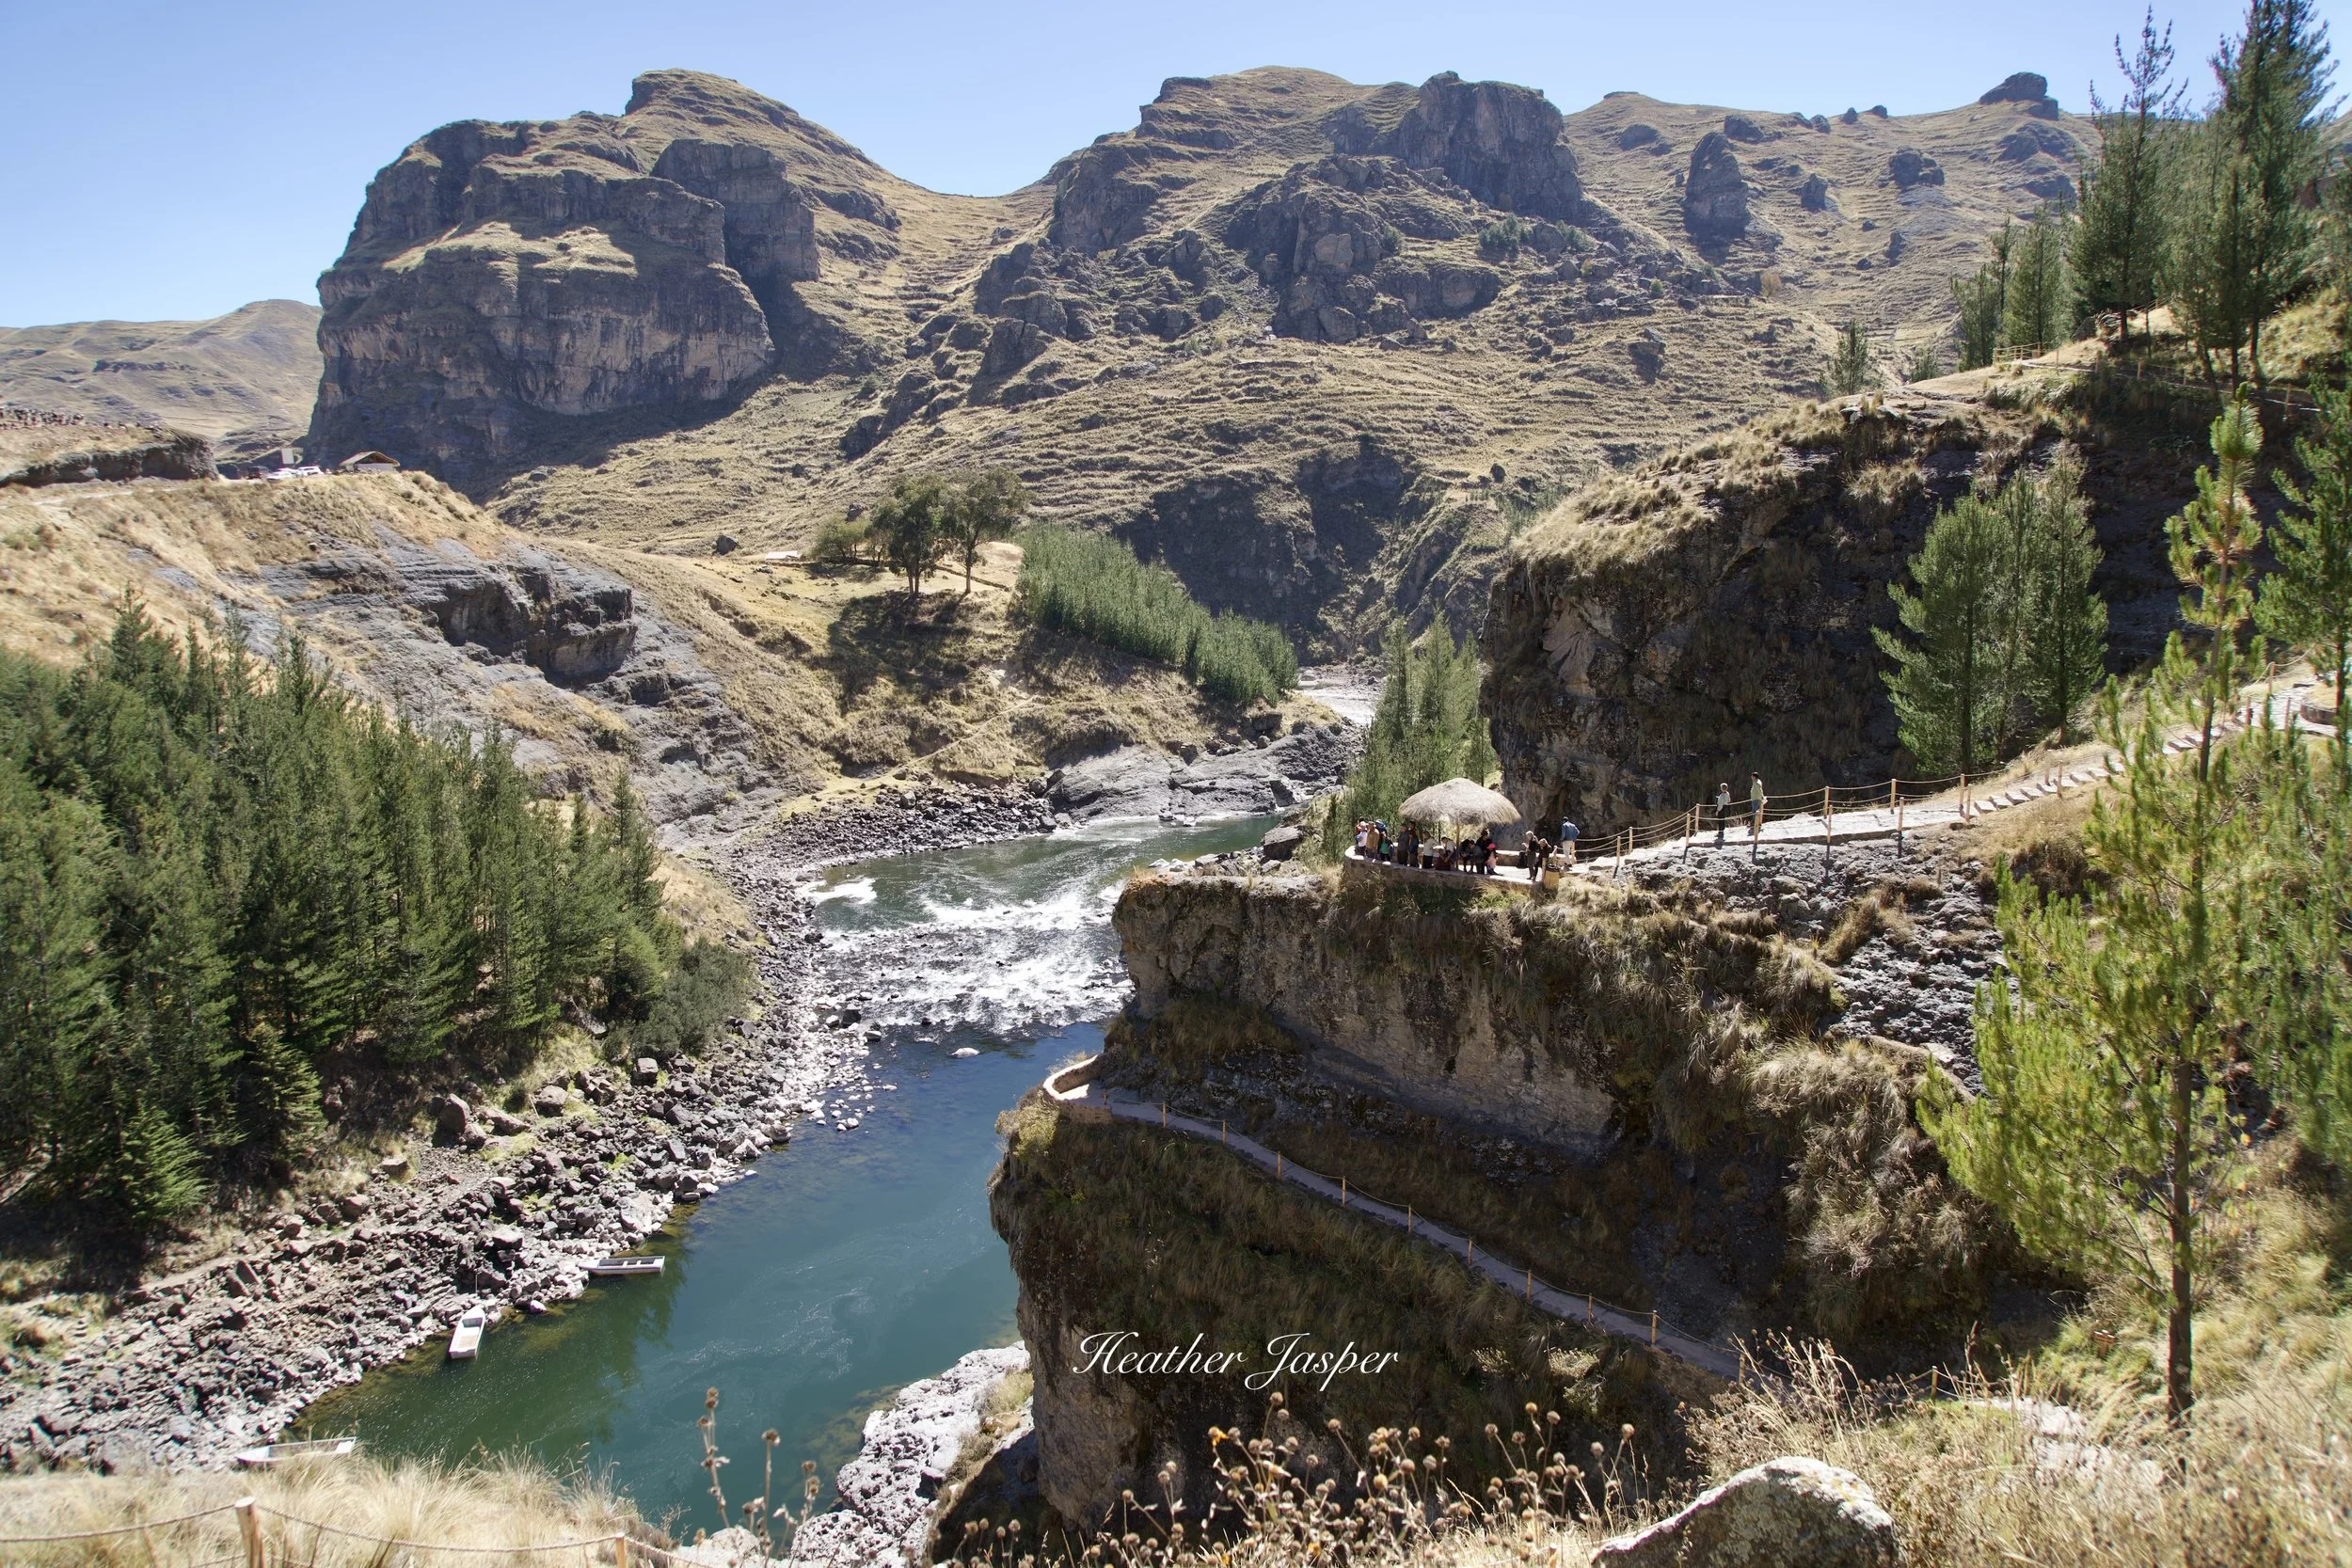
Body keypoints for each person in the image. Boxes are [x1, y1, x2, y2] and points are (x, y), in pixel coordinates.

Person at [1714, 782, 1732, 846]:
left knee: (1720, 820)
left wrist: (1717, 811)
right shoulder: (1727, 793)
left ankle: (1720, 832)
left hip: (1721, 809)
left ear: (1722, 788)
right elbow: (1729, 800)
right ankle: (1722, 831)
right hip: (1725, 807)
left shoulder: (1721, 796)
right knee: (1723, 819)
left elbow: (1720, 805)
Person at [1749, 772, 1767, 838]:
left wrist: (1762, 796)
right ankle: (1755, 822)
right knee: (1755, 811)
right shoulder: (1757, 781)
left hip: (1756, 799)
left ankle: (1754, 823)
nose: (1751, 777)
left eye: (1752, 776)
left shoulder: (1756, 782)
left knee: (1754, 811)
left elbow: (1759, 790)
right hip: (1756, 798)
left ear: (1754, 776)